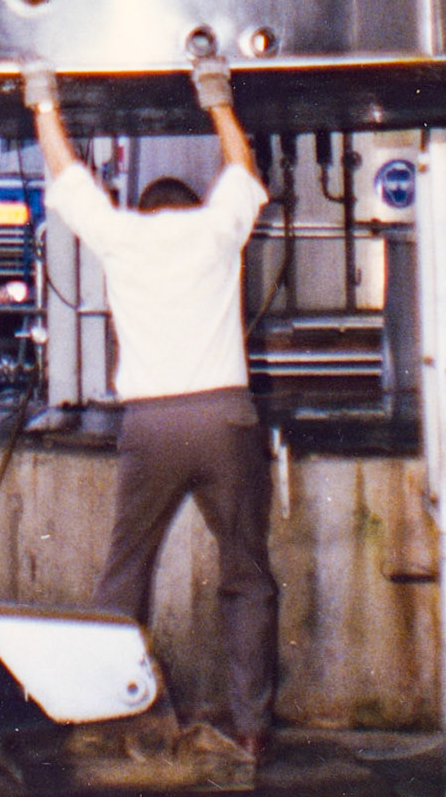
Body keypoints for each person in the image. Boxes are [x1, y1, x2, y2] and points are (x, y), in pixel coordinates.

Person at [25, 58, 277, 762]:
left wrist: (43, 101)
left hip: (151, 426)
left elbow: (66, 176)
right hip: (225, 419)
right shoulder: (217, 230)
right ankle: (252, 728)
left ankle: (103, 715)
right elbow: (241, 163)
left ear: (145, 210)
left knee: (124, 570)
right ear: (189, 207)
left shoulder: (123, 237)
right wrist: (215, 98)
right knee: (246, 572)